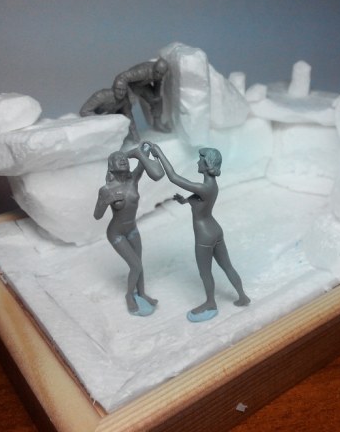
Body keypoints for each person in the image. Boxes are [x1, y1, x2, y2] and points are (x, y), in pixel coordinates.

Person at [147, 143, 250, 322]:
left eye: (200, 160)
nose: (197, 163)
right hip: (215, 230)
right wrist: (185, 201)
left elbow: (173, 177)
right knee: (227, 266)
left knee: (205, 273)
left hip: (204, 236)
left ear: (207, 164)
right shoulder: (211, 186)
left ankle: (210, 302)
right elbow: (201, 201)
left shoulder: (203, 188)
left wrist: (159, 153)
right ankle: (242, 296)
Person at [94, 143, 164, 315]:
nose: (122, 160)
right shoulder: (106, 190)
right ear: (111, 166)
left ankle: (142, 293)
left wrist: (141, 151)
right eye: (117, 159)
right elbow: (97, 215)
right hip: (116, 233)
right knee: (136, 266)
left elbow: (146, 166)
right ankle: (129, 295)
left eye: (124, 158)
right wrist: (107, 201)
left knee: (139, 264)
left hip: (132, 229)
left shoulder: (133, 180)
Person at [114, 58, 171, 132]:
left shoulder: (159, 72)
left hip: (141, 86)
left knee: (157, 100)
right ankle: (122, 130)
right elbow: (122, 77)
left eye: (161, 74)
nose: (158, 75)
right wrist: (130, 95)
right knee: (124, 107)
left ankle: (157, 124)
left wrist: (156, 97)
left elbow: (158, 83)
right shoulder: (142, 71)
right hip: (128, 86)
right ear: (154, 68)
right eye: (157, 72)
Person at [79, 77, 140, 143]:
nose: (121, 93)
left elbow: (128, 116)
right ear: (113, 88)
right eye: (119, 89)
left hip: (109, 125)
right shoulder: (102, 95)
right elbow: (84, 111)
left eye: (124, 90)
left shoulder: (124, 100)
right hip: (93, 123)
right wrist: (102, 118)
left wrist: (135, 135)